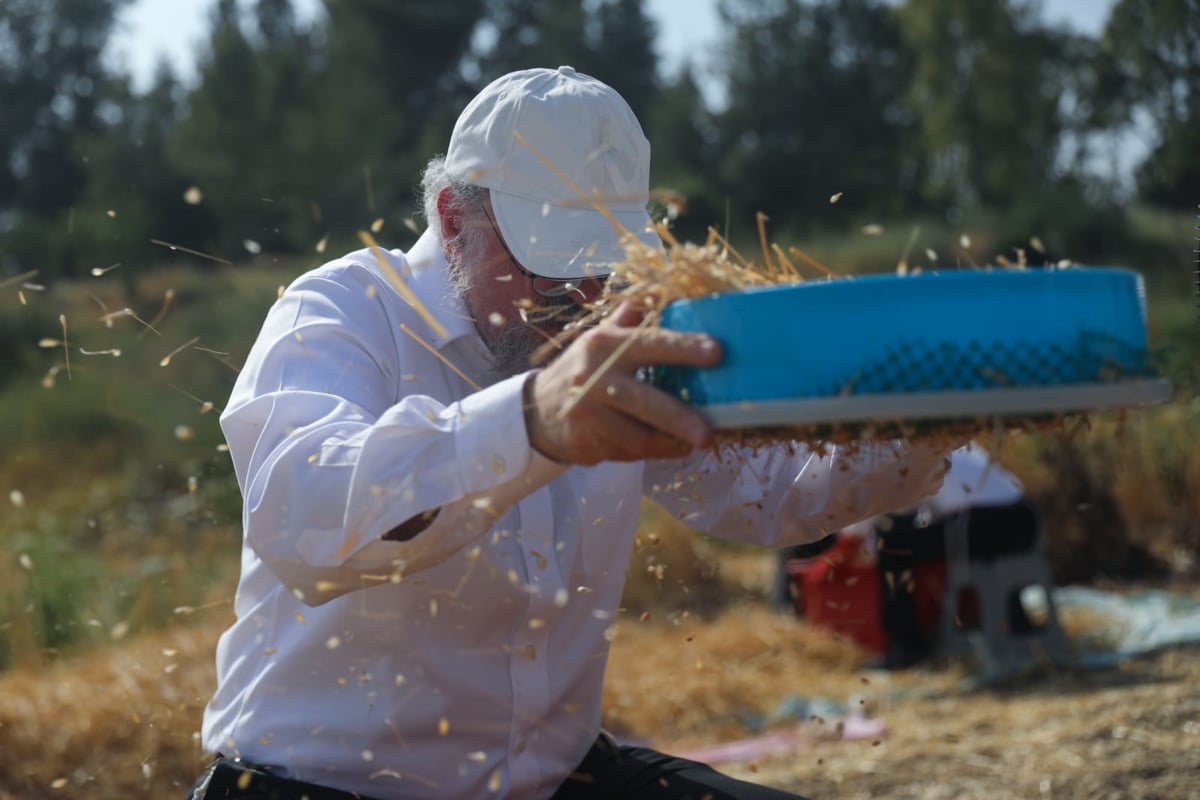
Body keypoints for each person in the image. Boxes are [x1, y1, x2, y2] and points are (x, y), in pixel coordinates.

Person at [189, 66, 955, 800]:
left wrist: (927, 424)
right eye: (552, 263)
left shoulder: (620, 332)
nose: (585, 294)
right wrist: (531, 423)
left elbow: (769, 493)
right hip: (315, 787)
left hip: (553, 781)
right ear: (454, 219)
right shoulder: (341, 310)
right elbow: (303, 519)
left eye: (605, 263)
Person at [871, 443, 1040, 670]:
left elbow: (897, 512)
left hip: (986, 522)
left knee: (892, 547)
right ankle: (1016, 623)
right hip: (1024, 516)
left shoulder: (914, 454)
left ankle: (906, 645)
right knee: (913, 539)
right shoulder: (955, 440)